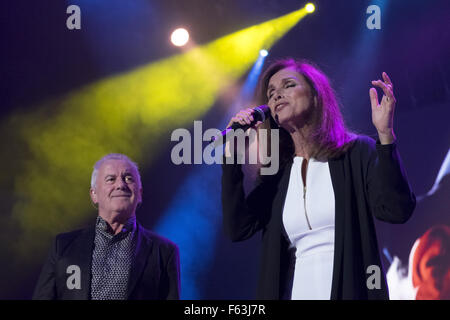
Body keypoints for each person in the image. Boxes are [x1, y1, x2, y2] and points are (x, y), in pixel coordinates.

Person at [221, 58, 416, 299]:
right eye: (271, 93)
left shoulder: (355, 152)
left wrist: (385, 136)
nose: (276, 95)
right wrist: (231, 155)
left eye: (288, 85)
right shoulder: (279, 176)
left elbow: (397, 210)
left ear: (316, 96)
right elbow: (238, 228)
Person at [33, 153, 180, 300]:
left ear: (139, 194)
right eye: (111, 179)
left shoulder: (164, 252)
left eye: (128, 179)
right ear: (94, 194)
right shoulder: (64, 246)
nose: (121, 185)